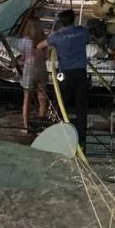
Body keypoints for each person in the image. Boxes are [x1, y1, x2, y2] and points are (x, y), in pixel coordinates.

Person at [47, 9, 92, 151]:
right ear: (73, 19)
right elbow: (89, 38)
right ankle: (82, 142)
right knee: (81, 109)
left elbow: (41, 44)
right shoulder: (82, 32)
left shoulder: (57, 36)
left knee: (60, 104)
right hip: (80, 72)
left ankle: (59, 137)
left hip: (65, 74)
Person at [20, 21, 50, 134]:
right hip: (41, 69)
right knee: (42, 99)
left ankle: (26, 125)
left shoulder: (25, 41)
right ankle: (41, 125)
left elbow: (22, 56)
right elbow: (46, 57)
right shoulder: (44, 40)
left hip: (28, 70)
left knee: (26, 99)